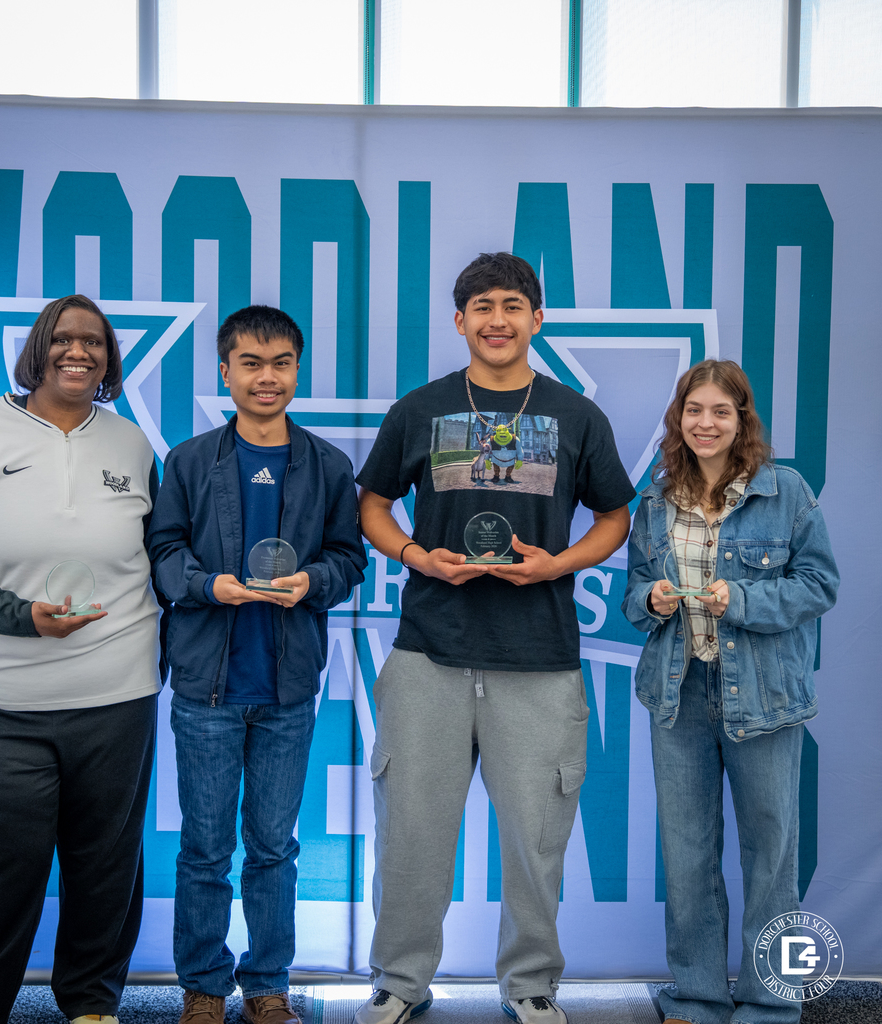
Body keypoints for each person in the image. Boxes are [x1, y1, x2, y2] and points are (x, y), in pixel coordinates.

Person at [353, 252, 636, 1024]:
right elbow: (372, 504)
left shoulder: (578, 416)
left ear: (536, 319)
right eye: (482, 307)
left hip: (538, 659)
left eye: (513, 305)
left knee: (537, 840)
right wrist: (414, 554)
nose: (498, 320)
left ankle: (532, 984)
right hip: (428, 653)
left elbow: (616, 514)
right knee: (411, 835)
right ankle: (400, 983)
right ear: (460, 322)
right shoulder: (420, 408)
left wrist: (559, 566)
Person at [0, 295, 164, 1024]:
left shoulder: (132, 445)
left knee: (106, 868)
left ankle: (92, 1006)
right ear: (38, 349)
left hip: (116, 692)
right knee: (0, 869)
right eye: (64, 340)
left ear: (109, 359)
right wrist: (19, 618)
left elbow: (156, 558)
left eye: (95, 343)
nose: (80, 353)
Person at [146, 305, 367, 1024]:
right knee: (206, 849)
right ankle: (205, 987)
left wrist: (316, 583)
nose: (265, 378)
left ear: (296, 371)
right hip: (205, 690)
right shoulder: (187, 461)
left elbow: (348, 558)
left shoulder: (328, 465)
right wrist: (208, 584)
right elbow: (162, 554)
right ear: (225, 371)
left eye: (279, 364)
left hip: (288, 689)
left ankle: (268, 984)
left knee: (274, 848)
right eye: (250, 363)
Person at [621, 360, 839, 1024]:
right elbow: (632, 600)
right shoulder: (656, 500)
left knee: (771, 856)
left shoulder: (786, 492)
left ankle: (772, 1005)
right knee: (687, 857)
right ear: (678, 419)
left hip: (766, 699)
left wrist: (739, 597)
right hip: (679, 696)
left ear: (742, 419)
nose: (706, 423)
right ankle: (696, 997)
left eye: (721, 411)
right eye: (694, 410)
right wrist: (653, 599)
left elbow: (818, 586)